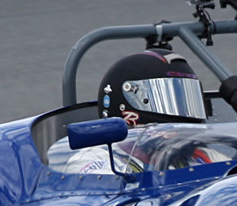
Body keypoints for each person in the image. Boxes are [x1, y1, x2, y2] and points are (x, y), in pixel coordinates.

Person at [64, 51, 216, 173]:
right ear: (125, 109)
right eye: (168, 100)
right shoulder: (95, 162)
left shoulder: (203, 157)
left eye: (186, 100)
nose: (183, 112)